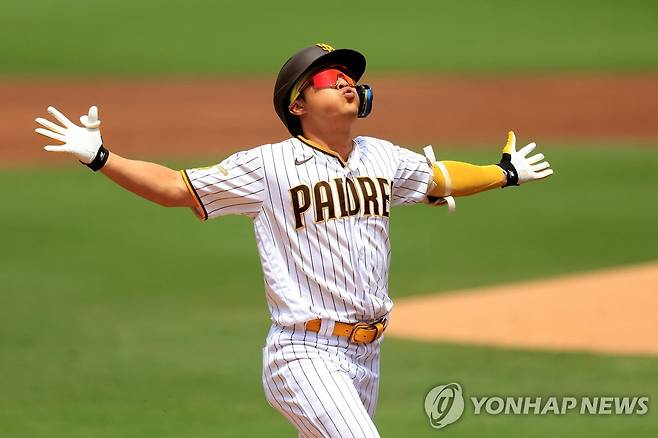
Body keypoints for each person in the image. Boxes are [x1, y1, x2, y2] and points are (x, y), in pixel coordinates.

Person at [34, 43, 553, 437]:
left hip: (366, 357)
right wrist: (101, 157)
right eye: (333, 78)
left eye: (353, 79)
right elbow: (177, 187)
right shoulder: (267, 166)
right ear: (298, 101)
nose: (349, 83)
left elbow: (439, 176)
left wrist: (502, 172)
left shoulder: (383, 156)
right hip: (304, 352)